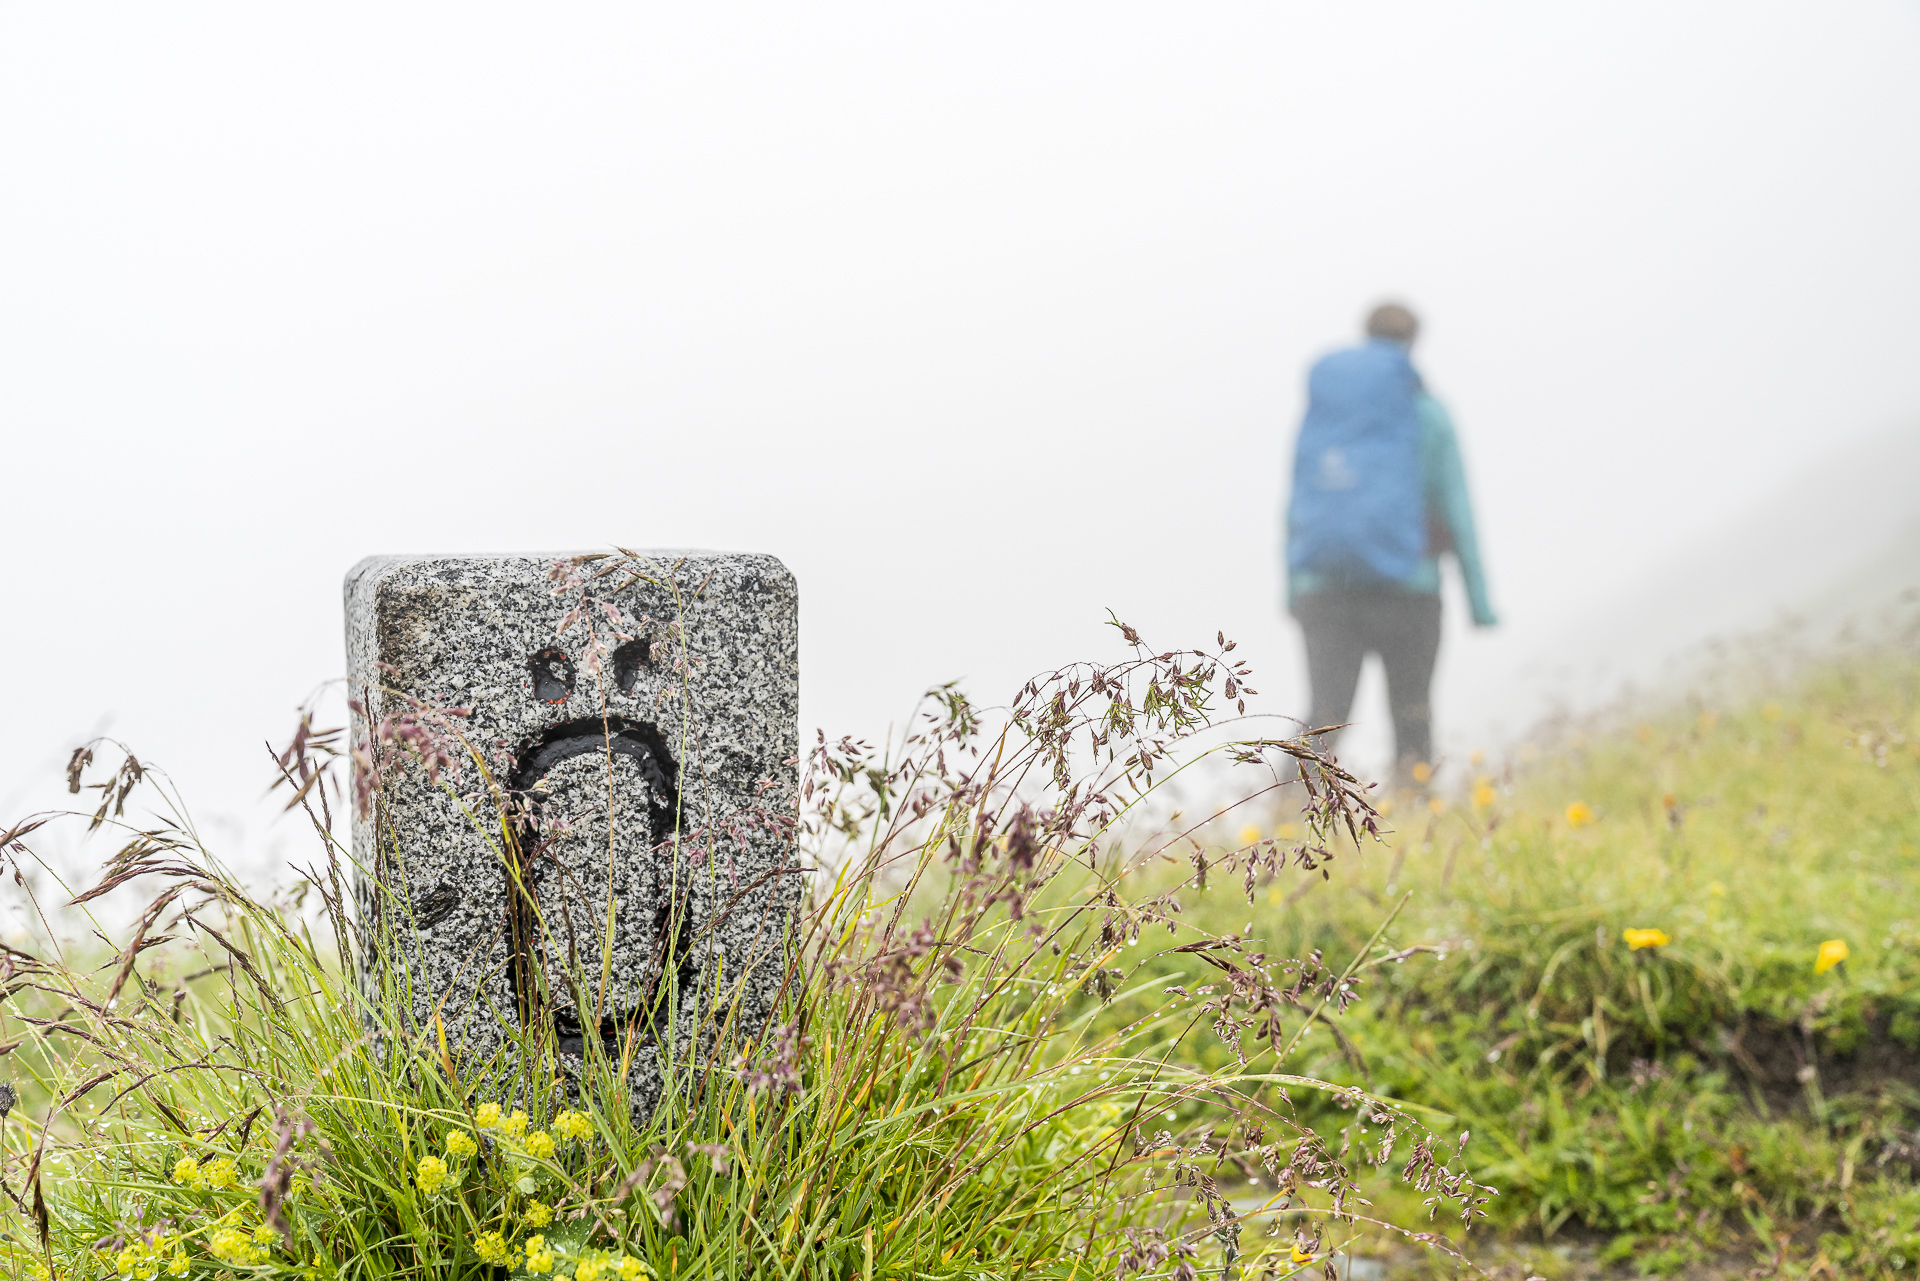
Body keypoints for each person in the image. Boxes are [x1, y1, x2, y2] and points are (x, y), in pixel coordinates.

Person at [1284, 302, 1495, 783]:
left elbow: (1296, 506)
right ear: (1413, 343)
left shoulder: (1324, 417)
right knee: (1413, 713)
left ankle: (1283, 820)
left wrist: (1294, 590)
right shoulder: (1428, 413)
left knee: (1323, 714)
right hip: (1410, 588)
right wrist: (1480, 603)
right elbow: (1457, 507)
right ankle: (1415, 817)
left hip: (1325, 588)